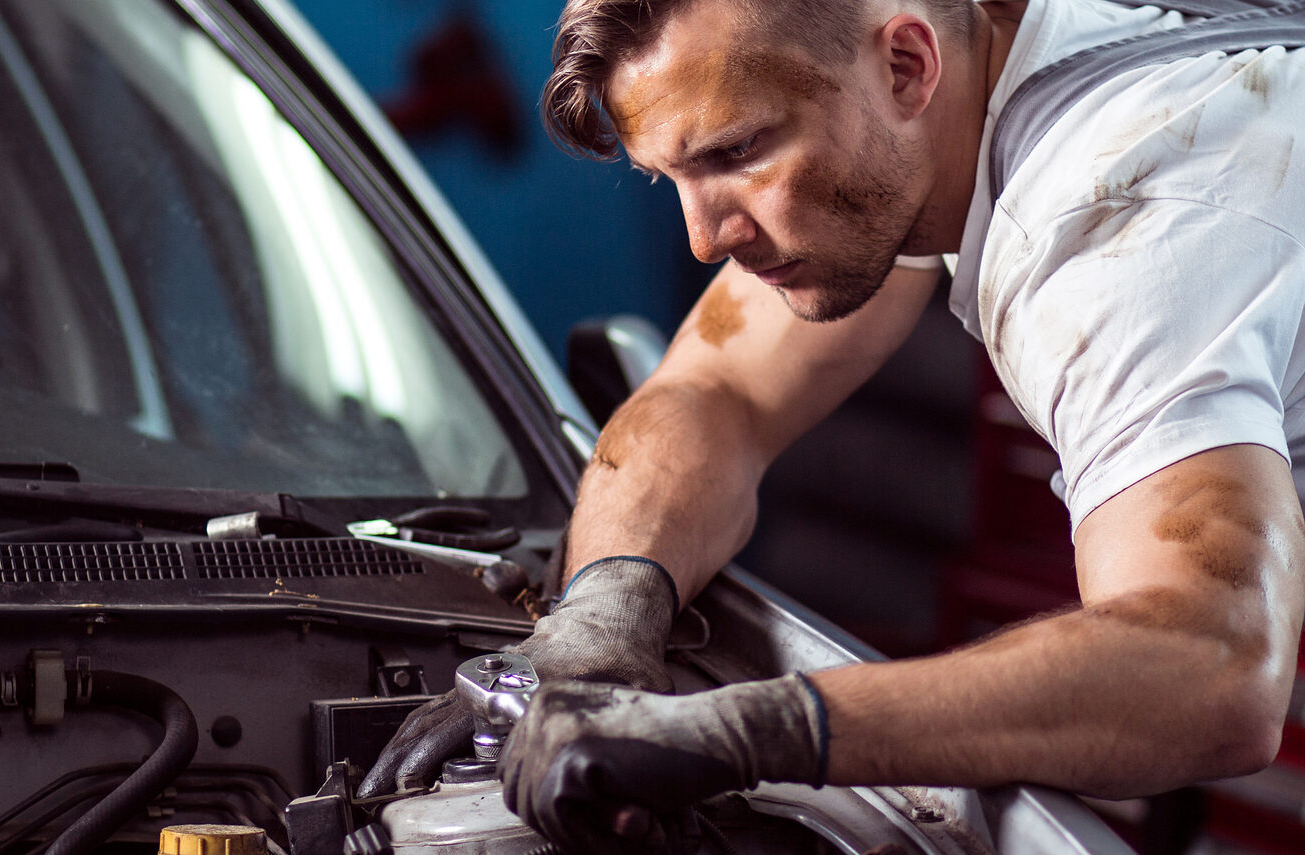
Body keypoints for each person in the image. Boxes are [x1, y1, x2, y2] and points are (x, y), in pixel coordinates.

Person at [361, 0, 1305, 849]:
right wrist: (602, 612)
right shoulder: (944, 91)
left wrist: (753, 730)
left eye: (734, 153)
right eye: (671, 178)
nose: (703, 239)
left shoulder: (1116, 231)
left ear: (906, 65)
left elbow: (1209, 662)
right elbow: (715, 392)